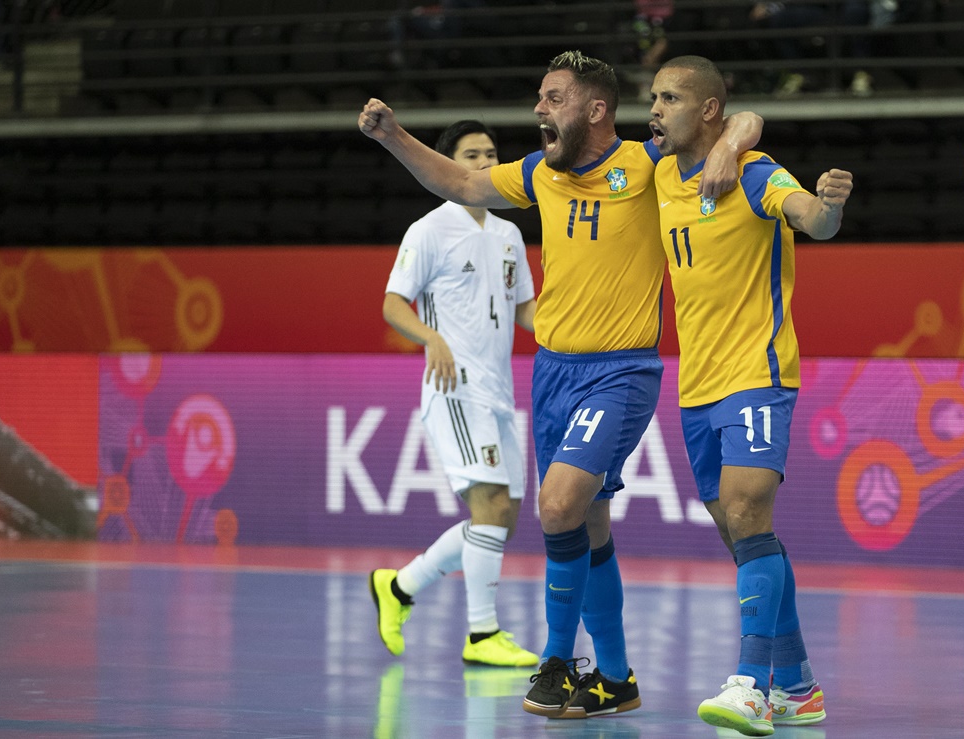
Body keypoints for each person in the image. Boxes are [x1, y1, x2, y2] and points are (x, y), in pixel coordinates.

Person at [360, 50, 764, 719]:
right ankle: (613, 675)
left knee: (556, 504)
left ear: (595, 110)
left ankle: (554, 657)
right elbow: (461, 182)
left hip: (621, 370)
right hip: (553, 373)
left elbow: (740, 120)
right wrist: (391, 136)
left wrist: (737, 140)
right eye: (540, 97)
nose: (539, 109)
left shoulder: (645, 163)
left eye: (553, 98)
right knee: (588, 522)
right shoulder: (541, 175)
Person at [647, 55, 852, 736]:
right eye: (653, 97)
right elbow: (740, 117)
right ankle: (798, 685)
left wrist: (827, 205)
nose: (654, 109)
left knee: (745, 508)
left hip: (757, 374)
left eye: (669, 98)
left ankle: (750, 683)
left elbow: (814, 223)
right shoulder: (655, 172)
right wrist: (732, 135)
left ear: (706, 109)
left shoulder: (758, 171)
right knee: (743, 533)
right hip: (695, 386)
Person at [369, 120, 540, 668]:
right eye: (471, 155)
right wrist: (431, 337)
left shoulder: (510, 233)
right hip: (455, 387)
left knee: (503, 515)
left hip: (498, 391)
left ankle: (398, 587)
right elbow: (394, 303)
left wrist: (578, 323)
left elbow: (526, 314)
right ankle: (482, 634)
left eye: (492, 153)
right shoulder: (429, 229)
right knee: (489, 504)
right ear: (448, 165)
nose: (485, 162)